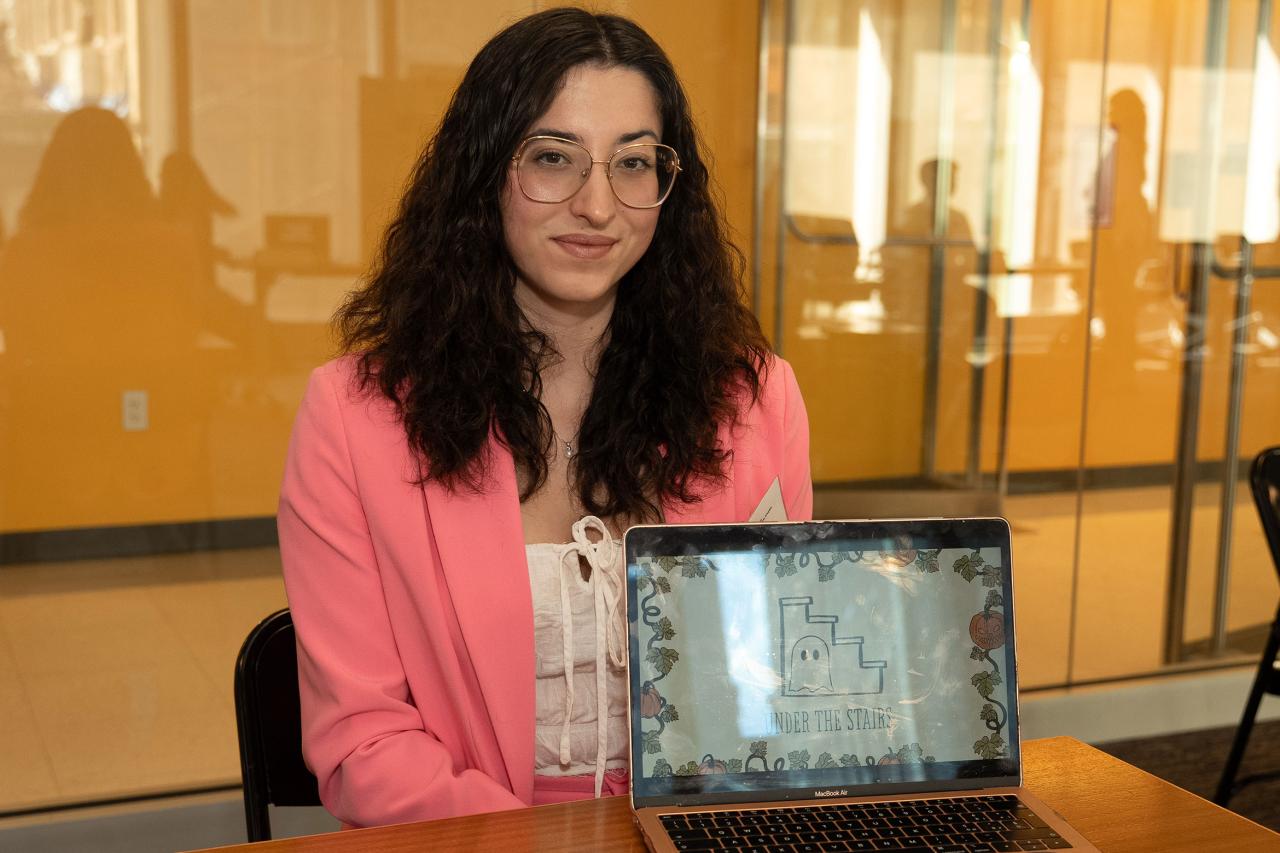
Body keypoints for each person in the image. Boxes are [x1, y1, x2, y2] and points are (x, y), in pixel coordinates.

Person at [277, 7, 812, 829]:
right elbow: (365, 744)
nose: (598, 205)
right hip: (469, 839)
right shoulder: (356, 418)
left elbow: (775, 689)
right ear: (484, 172)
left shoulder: (752, 398)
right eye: (554, 158)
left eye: (633, 163)